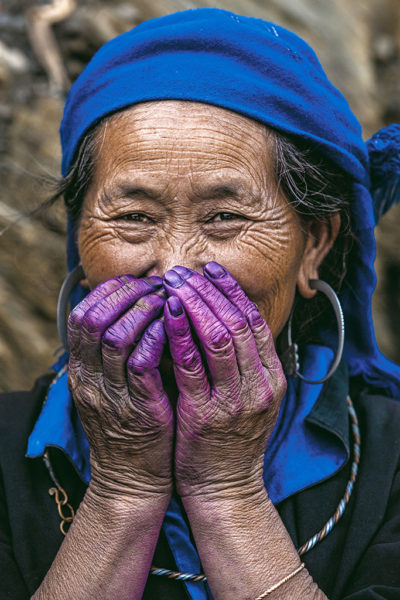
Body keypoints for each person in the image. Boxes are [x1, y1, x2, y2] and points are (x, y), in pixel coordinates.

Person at [1, 8, 400, 600]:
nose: (176, 267)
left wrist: (228, 490)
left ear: (314, 245)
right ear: (79, 241)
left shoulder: (389, 463)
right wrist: (123, 488)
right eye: (134, 218)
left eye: (224, 218)